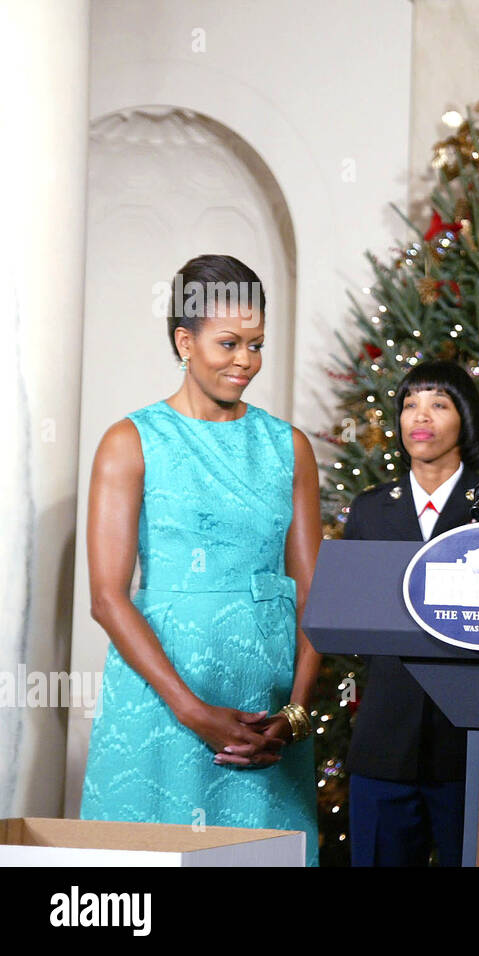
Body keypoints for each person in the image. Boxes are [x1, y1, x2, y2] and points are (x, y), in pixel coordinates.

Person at [81, 254, 320, 864]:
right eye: (230, 343)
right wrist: (193, 711)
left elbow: (316, 595)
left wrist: (295, 710)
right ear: (185, 341)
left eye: (257, 345)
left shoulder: (288, 446)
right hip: (162, 703)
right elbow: (107, 598)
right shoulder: (130, 440)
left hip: (263, 716)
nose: (246, 360)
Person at [343, 361, 479, 867]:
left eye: (438, 404)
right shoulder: (370, 509)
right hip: (384, 744)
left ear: (466, 419)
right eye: (409, 404)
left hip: (470, 748)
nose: (419, 417)